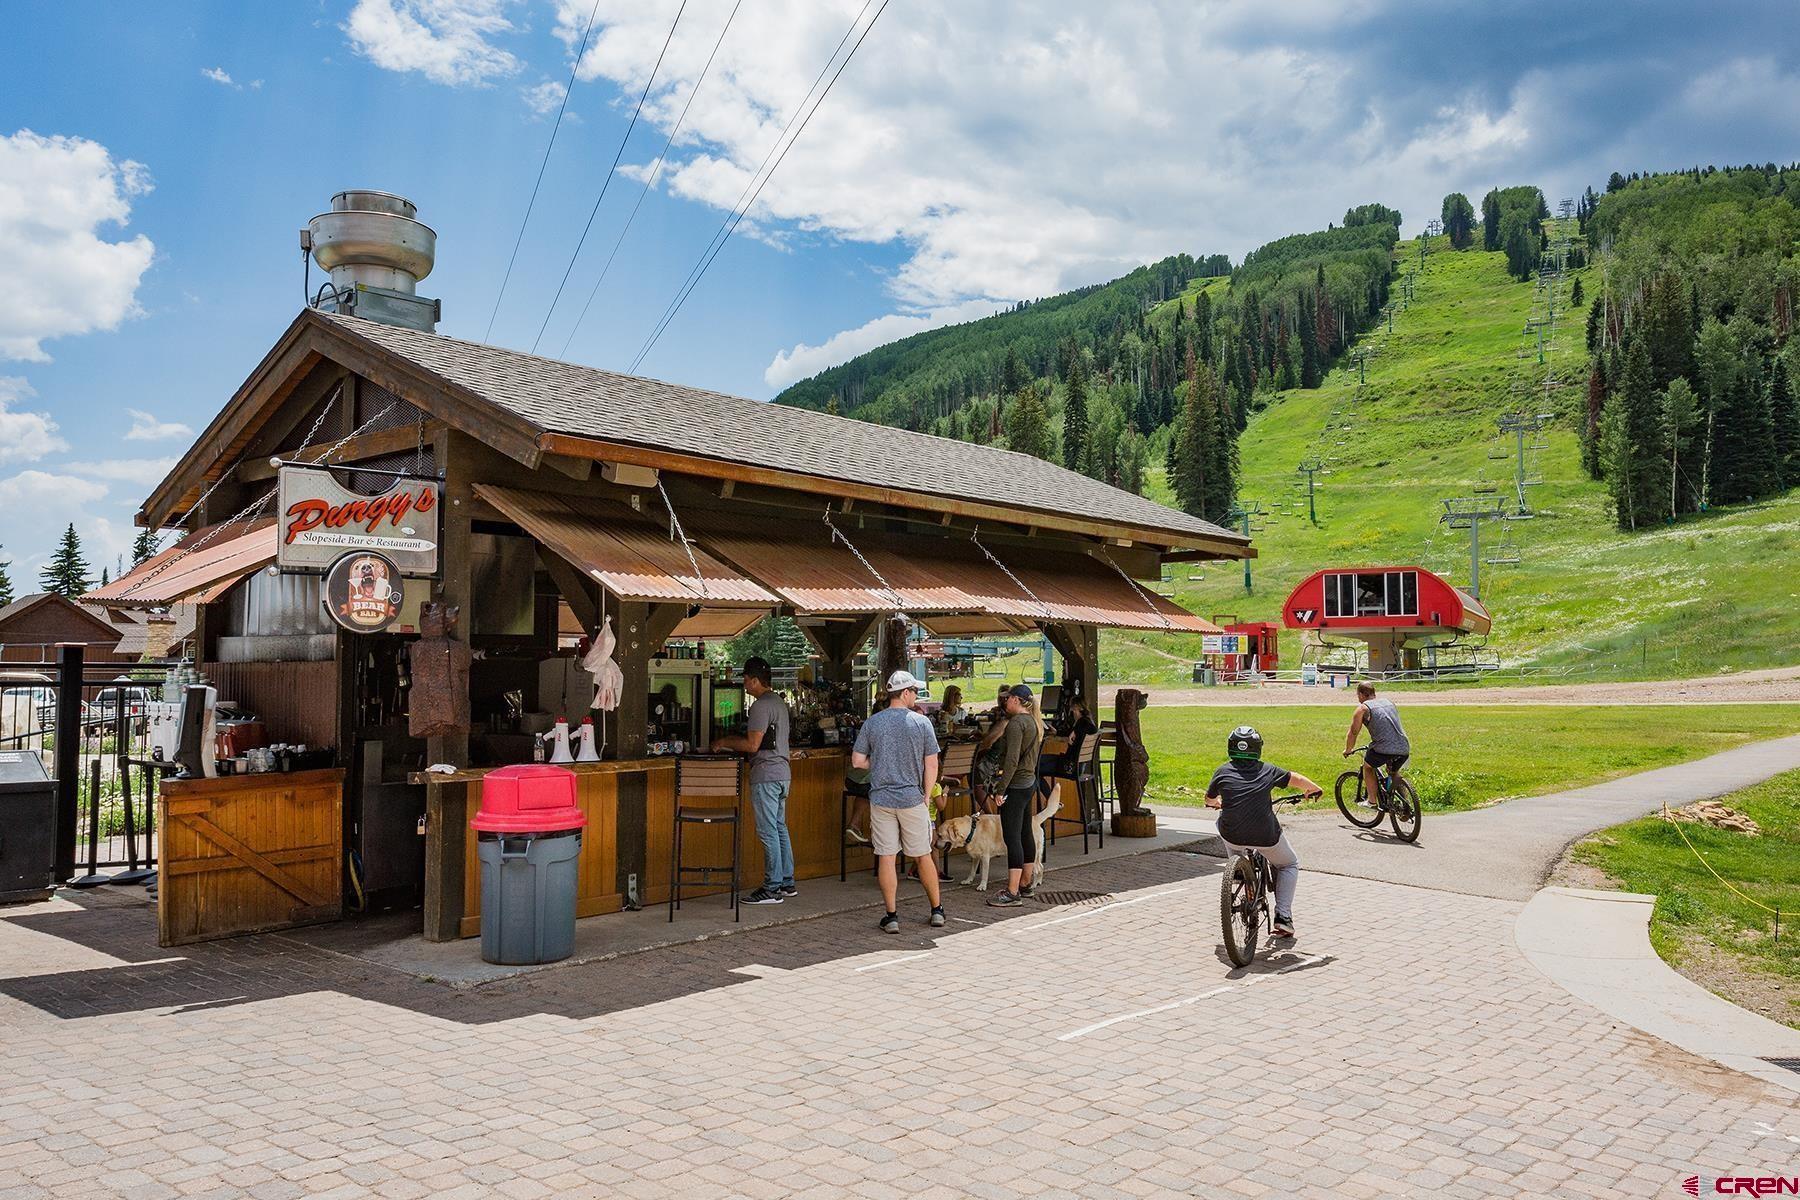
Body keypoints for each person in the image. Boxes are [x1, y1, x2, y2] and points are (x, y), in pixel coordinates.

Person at [1204, 725, 1321, 939]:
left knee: (1222, 825)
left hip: (1233, 834)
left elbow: (1209, 800)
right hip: (1265, 835)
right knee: (1288, 864)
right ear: (1258, 748)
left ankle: (1238, 868)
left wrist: (1218, 802)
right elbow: (1295, 778)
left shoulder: (1222, 771)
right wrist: (1313, 788)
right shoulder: (1267, 770)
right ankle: (1283, 916)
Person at [852, 670, 946, 933]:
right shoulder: (921, 723)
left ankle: (891, 915)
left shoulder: (873, 723)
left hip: (881, 799)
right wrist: (927, 796)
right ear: (905, 693)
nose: (916, 696)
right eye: (914, 691)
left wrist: (879, 763)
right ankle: (936, 910)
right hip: (911, 798)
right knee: (922, 855)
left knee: (886, 856)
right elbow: (932, 764)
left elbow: (858, 762)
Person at [713, 656, 794, 905]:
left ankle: (771, 887)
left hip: (766, 775)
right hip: (782, 773)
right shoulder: (778, 702)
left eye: (746, 680)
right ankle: (786, 881)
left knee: (768, 831)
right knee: (779, 828)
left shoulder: (760, 706)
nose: (744, 684)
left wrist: (723, 742)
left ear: (756, 680)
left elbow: (752, 744)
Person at [987, 683, 1045, 907]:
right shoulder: (1034, 722)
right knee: (1024, 833)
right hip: (1028, 782)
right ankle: (1026, 883)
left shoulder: (1015, 725)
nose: (1005, 701)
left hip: (1015, 785)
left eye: (1008, 698)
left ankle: (1012, 892)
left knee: (1012, 838)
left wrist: (1000, 790)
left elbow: (1011, 761)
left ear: (1016, 700)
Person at [1345, 681, 1410, 808]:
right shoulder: (1389, 702)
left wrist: (1348, 749)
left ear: (1361, 694)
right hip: (1403, 745)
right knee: (1393, 772)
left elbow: (1353, 732)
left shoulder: (1362, 709)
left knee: (1368, 767)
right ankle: (1405, 804)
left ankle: (1372, 801)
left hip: (1383, 748)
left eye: (1358, 695)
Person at [1036, 698, 1098, 803]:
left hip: (1069, 767)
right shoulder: (1085, 723)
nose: (1071, 712)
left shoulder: (1082, 723)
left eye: (1072, 709)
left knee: (1034, 767)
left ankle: (1052, 800)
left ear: (1077, 708)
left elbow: (1088, 729)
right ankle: (1052, 800)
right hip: (1076, 766)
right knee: (1038, 762)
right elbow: (1076, 731)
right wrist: (1057, 732)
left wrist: (1074, 731)